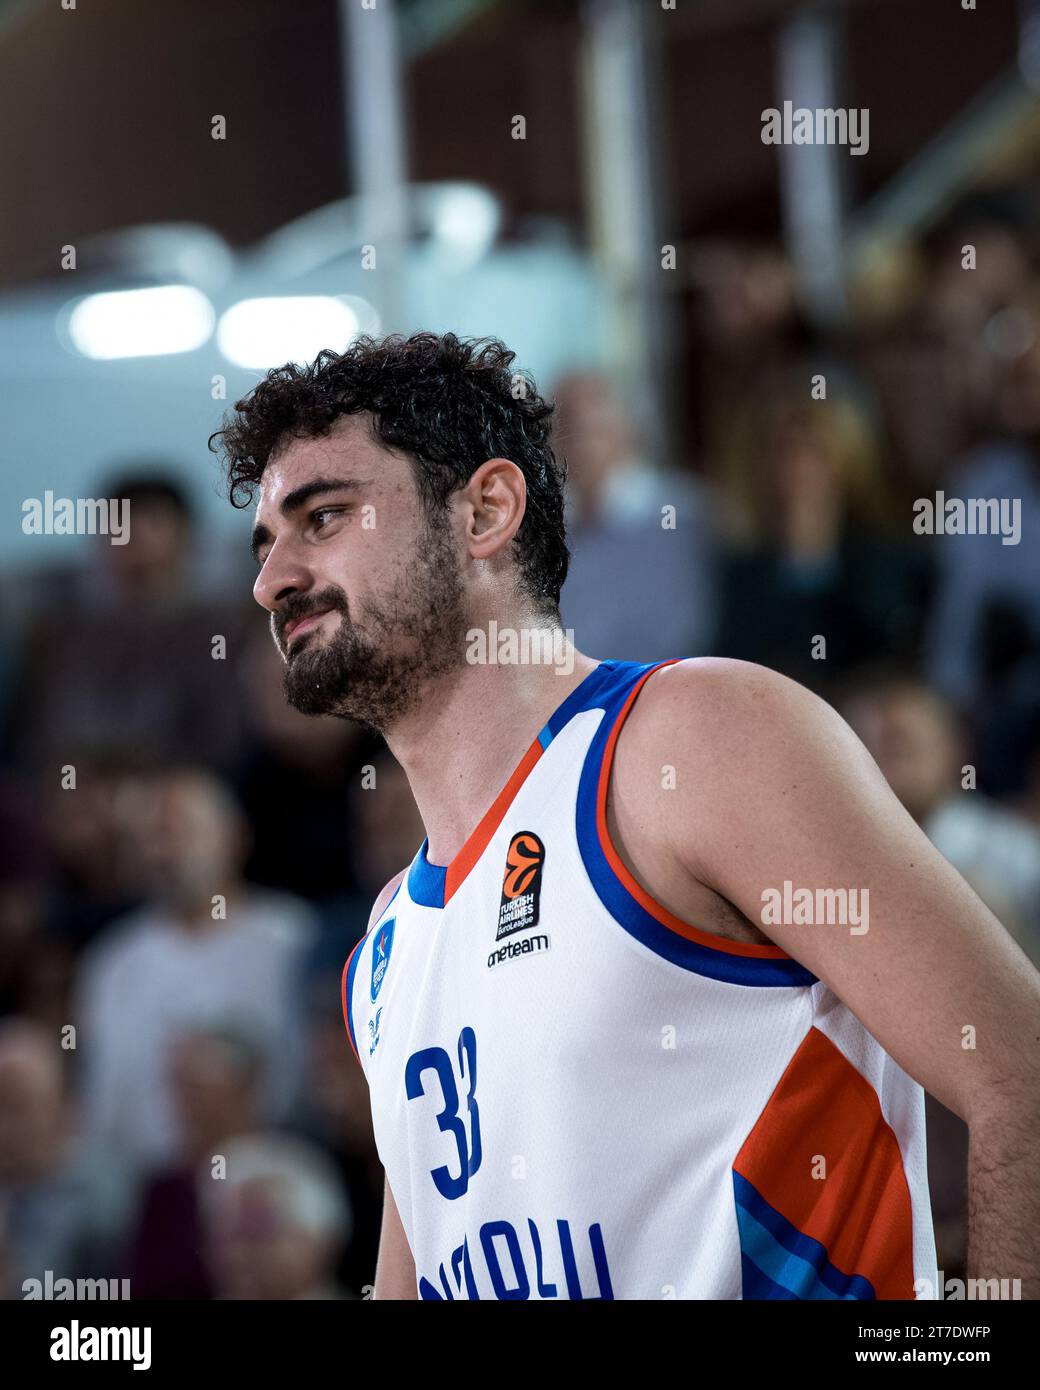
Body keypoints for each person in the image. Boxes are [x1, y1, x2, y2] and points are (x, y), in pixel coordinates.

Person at [211, 331, 1040, 1301]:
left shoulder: (690, 739)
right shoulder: (388, 942)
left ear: (485, 509)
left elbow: (1017, 1074)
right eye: (267, 543)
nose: (273, 579)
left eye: (324, 516)